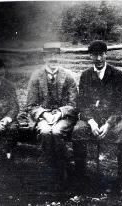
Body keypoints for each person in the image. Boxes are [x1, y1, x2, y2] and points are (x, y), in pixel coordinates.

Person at [72, 40, 122, 193]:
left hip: (113, 118)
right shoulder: (85, 76)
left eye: (101, 55)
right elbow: (82, 103)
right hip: (92, 120)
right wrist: (91, 122)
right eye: (94, 55)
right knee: (78, 130)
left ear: (106, 54)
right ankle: (80, 178)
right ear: (90, 56)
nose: (98, 59)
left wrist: (109, 123)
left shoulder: (117, 74)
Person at [26, 42, 78, 180]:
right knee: (44, 131)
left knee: (56, 131)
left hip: (64, 117)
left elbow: (74, 104)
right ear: (44, 58)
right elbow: (31, 105)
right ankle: (47, 168)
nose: (53, 59)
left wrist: (60, 113)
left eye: (56, 55)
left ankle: (62, 168)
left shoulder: (68, 76)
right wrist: (44, 114)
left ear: (59, 58)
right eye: (50, 56)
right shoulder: (36, 77)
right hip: (43, 117)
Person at [0, 58, 19, 170]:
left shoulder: (9, 85)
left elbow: (15, 106)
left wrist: (7, 119)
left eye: (2, 68)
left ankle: (9, 157)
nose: (2, 71)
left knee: (12, 129)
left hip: (8, 120)